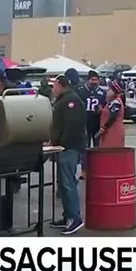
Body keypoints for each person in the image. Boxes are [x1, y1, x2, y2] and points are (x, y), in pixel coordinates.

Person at [48, 75, 87, 234]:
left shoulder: (71, 101)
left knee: (68, 183)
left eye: (54, 86)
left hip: (69, 148)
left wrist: (61, 143)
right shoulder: (63, 100)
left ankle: (74, 218)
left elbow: (72, 126)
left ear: (61, 85)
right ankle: (67, 216)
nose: (52, 90)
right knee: (63, 183)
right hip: (62, 147)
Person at [78, 70, 107, 178]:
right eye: (92, 80)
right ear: (88, 80)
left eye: (96, 79)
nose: (94, 82)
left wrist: (102, 110)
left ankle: (96, 168)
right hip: (85, 123)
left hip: (97, 124)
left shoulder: (103, 93)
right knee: (84, 148)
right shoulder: (81, 91)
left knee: (97, 148)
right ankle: (84, 170)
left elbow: (106, 107)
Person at [97, 81, 126, 148]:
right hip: (108, 131)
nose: (107, 92)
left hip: (113, 131)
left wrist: (104, 127)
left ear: (114, 92)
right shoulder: (111, 101)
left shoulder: (116, 102)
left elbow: (113, 116)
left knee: (111, 149)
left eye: (109, 90)